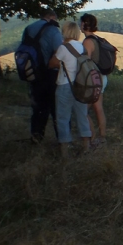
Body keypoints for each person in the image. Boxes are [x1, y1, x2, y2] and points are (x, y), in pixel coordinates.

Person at [49, 21, 92, 156]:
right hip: (82, 85)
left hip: (64, 85)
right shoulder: (82, 47)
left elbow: (51, 64)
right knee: (82, 116)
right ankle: (86, 146)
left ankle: (65, 150)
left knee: (63, 118)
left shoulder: (63, 48)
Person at [22, 9, 62, 144]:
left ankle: (36, 138)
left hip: (33, 73)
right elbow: (59, 53)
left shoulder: (28, 29)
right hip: (51, 74)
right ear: (52, 17)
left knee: (39, 109)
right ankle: (62, 141)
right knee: (57, 109)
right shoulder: (53, 30)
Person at [80, 13, 107, 149]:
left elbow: (86, 62)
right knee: (99, 108)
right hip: (102, 77)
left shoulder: (87, 41)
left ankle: (92, 138)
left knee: (83, 110)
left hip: (93, 78)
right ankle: (102, 138)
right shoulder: (98, 39)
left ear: (84, 24)